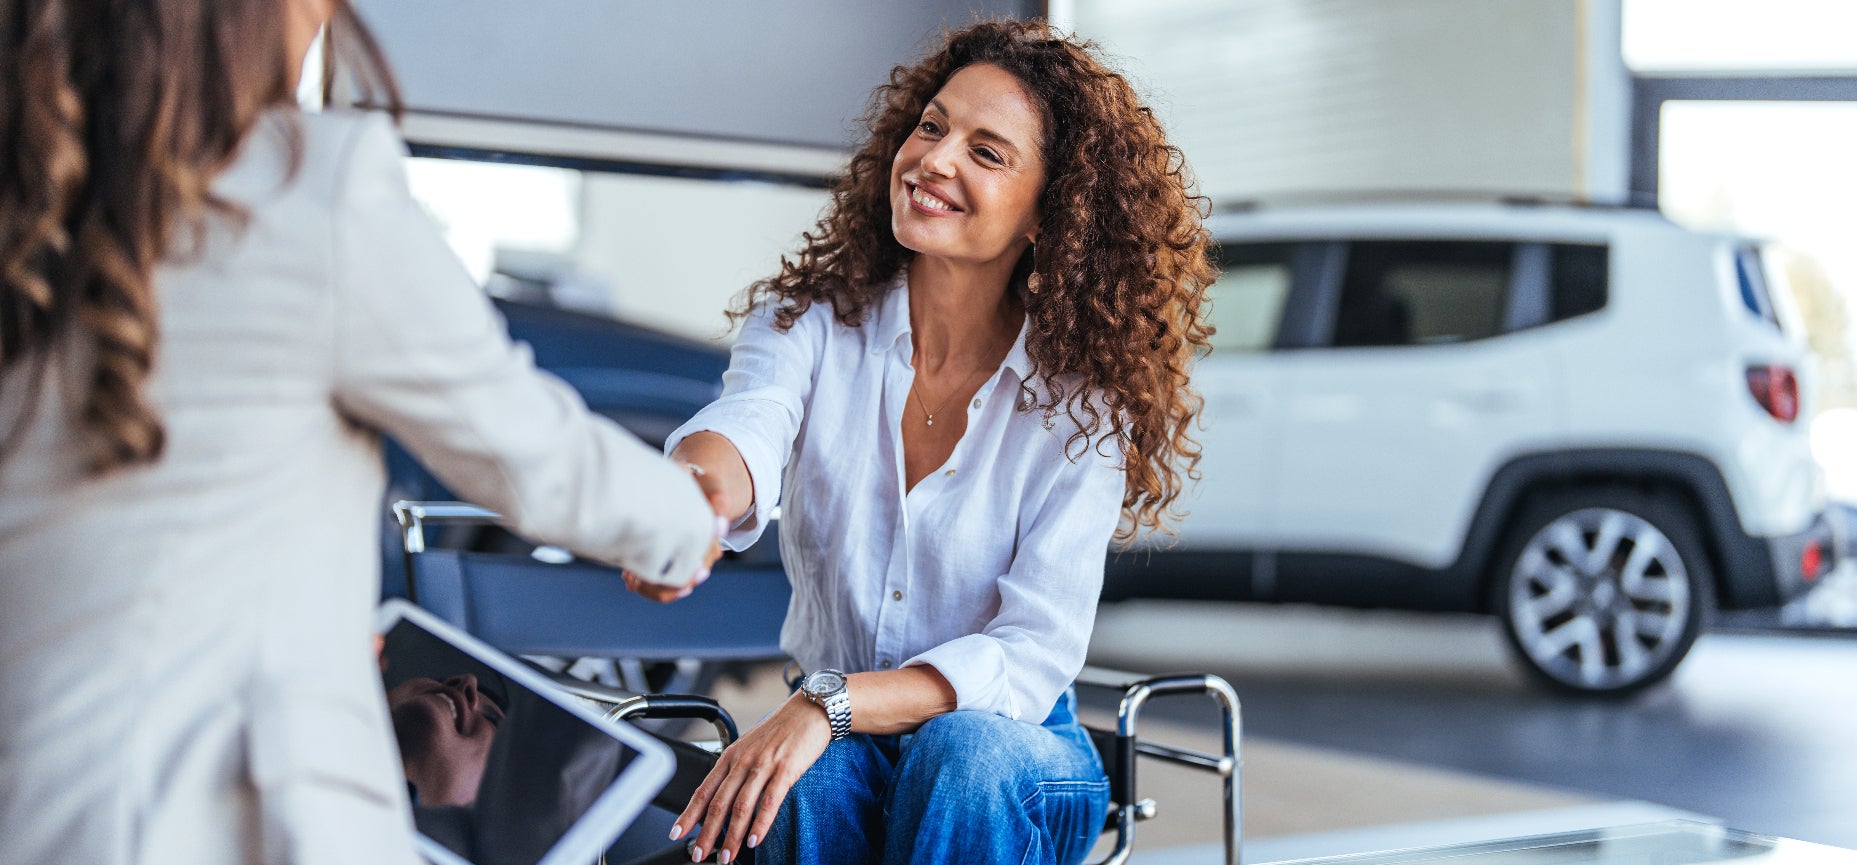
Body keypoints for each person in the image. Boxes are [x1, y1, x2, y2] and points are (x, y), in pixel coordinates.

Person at [0, 1, 722, 863]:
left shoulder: (32, 192)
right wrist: (683, 524)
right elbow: (531, 452)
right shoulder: (305, 186)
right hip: (215, 817)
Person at [634, 19, 1217, 865]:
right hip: (839, 738)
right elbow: (745, 428)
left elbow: (1027, 654)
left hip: (1018, 752)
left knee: (960, 754)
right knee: (807, 782)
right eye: (932, 126)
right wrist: (691, 502)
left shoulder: (1080, 404)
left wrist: (825, 703)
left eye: (987, 152)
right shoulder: (811, 325)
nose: (934, 159)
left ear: (1047, 215)